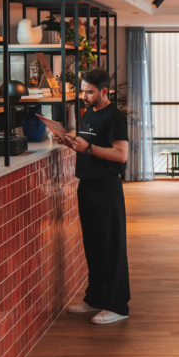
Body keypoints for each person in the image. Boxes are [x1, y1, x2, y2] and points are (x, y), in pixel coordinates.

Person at [63, 67, 131, 325]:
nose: (84, 96)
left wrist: (89, 148)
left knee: (111, 247)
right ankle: (95, 298)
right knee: (93, 245)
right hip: (87, 185)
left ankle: (117, 305)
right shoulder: (89, 114)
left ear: (105, 91)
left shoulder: (114, 117)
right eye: (82, 91)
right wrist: (70, 142)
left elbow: (120, 155)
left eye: (90, 92)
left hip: (106, 188)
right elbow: (88, 147)